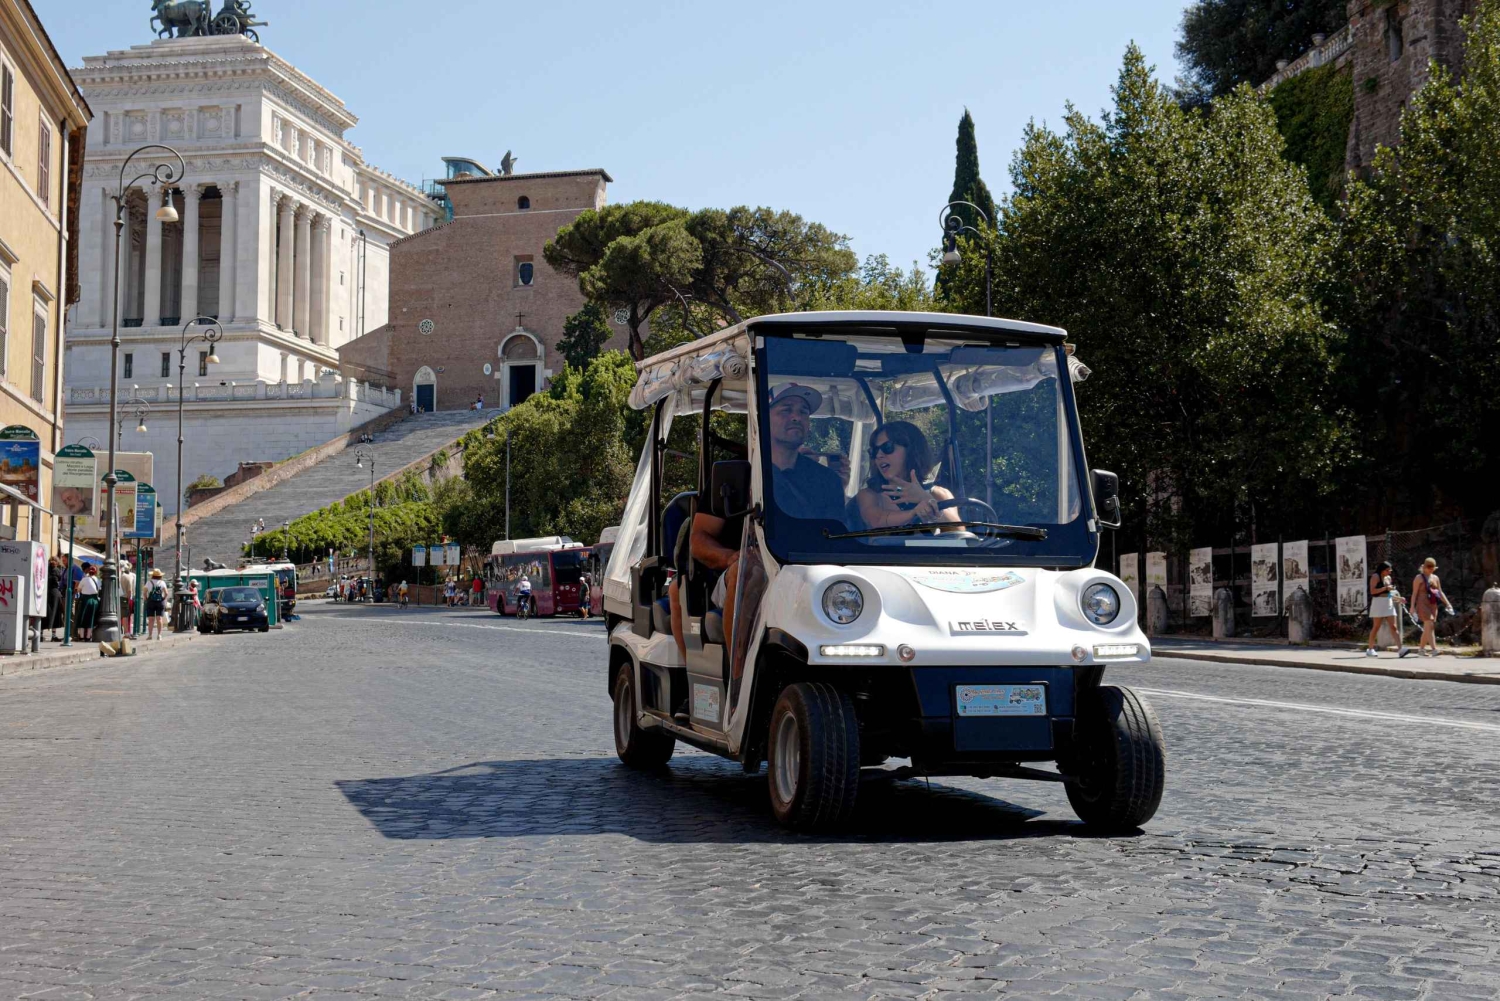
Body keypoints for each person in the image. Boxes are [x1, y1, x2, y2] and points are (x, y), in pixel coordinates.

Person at [671, 384, 849, 661]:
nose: (796, 417)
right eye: (785, 410)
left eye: (803, 412)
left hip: (807, 572)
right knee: (749, 571)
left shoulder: (825, 481)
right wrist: (733, 557)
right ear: (762, 420)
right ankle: (740, 688)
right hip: (743, 573)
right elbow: (699, 541)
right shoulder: (735, 474)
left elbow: (840, 536)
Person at [854, 421, 960, 530]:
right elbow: (876, 520)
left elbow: (959, 531)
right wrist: (914, 513)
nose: (879, 455)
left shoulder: (940, 494)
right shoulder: (870, 495)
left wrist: (925, 498)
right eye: (874, 451)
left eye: (888, 447)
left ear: (912, 450)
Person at [1410, 557, 1454, 657]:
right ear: (1424, 567)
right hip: (1422, 603)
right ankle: (1434, 649)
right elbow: (1414, 593)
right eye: (1429, 567)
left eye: (1432, 567)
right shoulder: (1419, 578)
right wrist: (1412, 607)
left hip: (1432, 603)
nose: (1430, 569)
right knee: (1429, 625)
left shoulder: (1435, 578)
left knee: (1428, 627)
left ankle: (1421, 649)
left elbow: (1440, 592)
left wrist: (1448, 604)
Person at [1365, 560, 1400, 657]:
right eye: (1388, 570)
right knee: (1376, 627)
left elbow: (1389, 594)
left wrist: (1398, 598)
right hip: (1378, 603)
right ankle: (1370, 649)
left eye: (1390, 570)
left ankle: (1400, 649)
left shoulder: (1388, 578)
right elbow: (1372, 591)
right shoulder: (1375, 576)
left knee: (1393, 626)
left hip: (1388, 602)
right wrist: (1385, 588)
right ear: (1382, 570)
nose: (1389, 572)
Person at [77, 564, 101, 642]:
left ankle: (81, 636)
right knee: (91, 618)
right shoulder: (98, 580)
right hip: (94, 601)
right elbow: (99, 589)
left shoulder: (84, 579)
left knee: (82, 618)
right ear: (96, 572)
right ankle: (88, 636)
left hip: (85, 600)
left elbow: (78, 590)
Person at [144, 569, 169, 640]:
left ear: (153, 575)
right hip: (160, 602)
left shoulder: (149, 582)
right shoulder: (162, 582)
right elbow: (166, 593)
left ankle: (150, 635)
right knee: (159, 619)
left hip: (151, 601)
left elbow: (144, 592)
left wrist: (146, 598)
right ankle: (159, 635)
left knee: (151, 619)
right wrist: (163, 599)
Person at [46, 557, 65, 642]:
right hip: (55, 594)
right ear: (57, 563)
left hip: (45, 593)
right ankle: (53, 635)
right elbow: (60, 580)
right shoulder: (57, 570)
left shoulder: (45, 569)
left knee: (45, 614)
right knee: (56, 614)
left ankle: (41, 635)